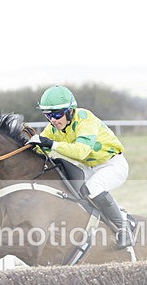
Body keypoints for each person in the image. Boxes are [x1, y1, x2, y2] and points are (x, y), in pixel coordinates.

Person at [27, 85, 133, 249]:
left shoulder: (85, 118)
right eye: (48, 115)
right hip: (89, 167)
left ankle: (123, 229)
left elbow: (82, 152)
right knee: (67, 189)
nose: (53, 120)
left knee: (92, 188)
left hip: (113, 165)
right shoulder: (54, 127)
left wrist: (52, 144)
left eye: (57, 114)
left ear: (70, 111)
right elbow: (39, 146)